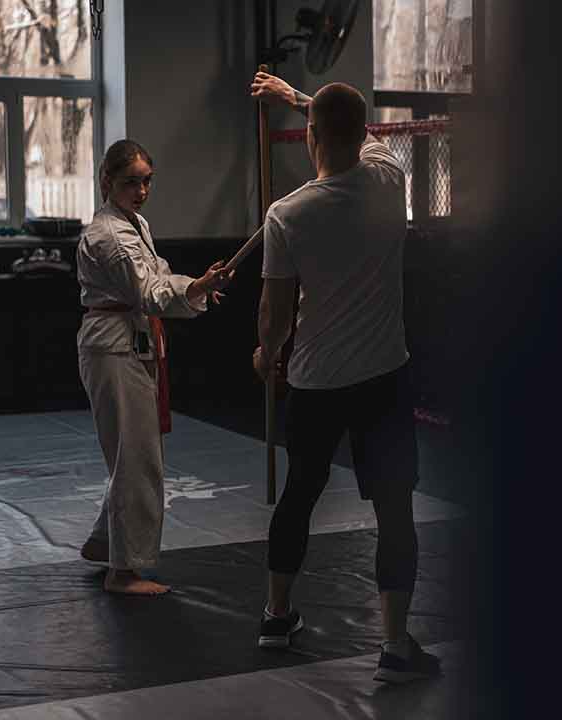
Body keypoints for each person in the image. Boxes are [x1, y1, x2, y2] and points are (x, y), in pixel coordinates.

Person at [249, 71, 441, 683]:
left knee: (299, 494)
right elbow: (350, 120)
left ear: (310, 138)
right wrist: (301, 96)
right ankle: (392, 644)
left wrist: (264, 354)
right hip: (384, 378)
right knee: (394, 507)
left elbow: (277, 316)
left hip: (314, 380)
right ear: (362, 136)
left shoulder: (288, 214)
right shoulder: (391, 178)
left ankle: (277, 616)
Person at [76, 139, 232, 596]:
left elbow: (160, 277)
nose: (142, 190)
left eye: (147, 181)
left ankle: (105, 543)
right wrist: (195, 287)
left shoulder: (135, 223)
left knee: (133, 453)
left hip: (131, 341)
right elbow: (148, 292)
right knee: (137, 457)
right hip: (113, 347)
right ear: (107, 182)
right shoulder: (107, 235)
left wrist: (198, 286)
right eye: (131, 182)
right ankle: (123, 571)